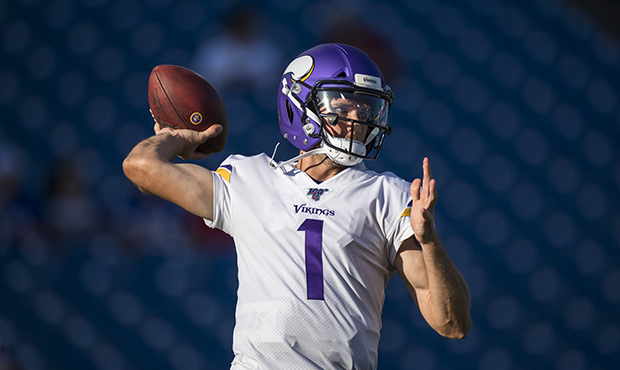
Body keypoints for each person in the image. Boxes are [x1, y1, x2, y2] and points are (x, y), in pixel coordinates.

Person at [123, 43, 471, 370]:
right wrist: (178, 137)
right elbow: (141, 168)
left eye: (366, 109)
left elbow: (451, 323)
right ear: (298, 105)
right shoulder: (249, 178)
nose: (358, 119)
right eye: (342, 105)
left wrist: (429, 242)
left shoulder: (389, 195)